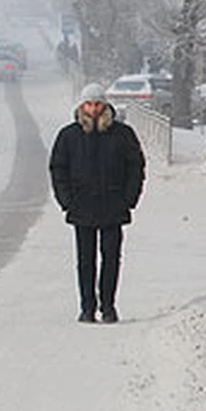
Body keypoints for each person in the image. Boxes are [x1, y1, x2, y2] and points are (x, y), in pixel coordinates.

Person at [48, 83, 146, 324]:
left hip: (113, 205)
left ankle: (109, 306)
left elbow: (136, 167)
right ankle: (87, 307)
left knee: (111, 257)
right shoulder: (69, 136)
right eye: (89, 104)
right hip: (82, 206)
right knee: (85, 259)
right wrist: (67, 200)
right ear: (82, 106)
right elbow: (58, 169)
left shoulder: (122, 134)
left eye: (98, 104)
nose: (93, 109)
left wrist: (128, 199)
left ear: (105, 105)